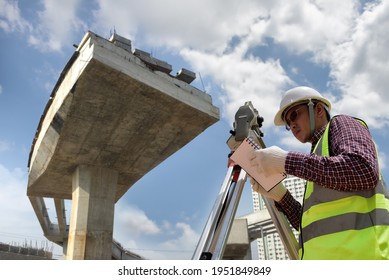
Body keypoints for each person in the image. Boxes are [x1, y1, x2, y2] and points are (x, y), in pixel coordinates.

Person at [249, 86, 389, 260]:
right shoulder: (318, 159)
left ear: (318, 109)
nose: (291, 125)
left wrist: (284, 161)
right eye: (287, 123)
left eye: (294, 115)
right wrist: (280, 195)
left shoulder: (342, 123)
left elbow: (362, 169)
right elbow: (311, 228)